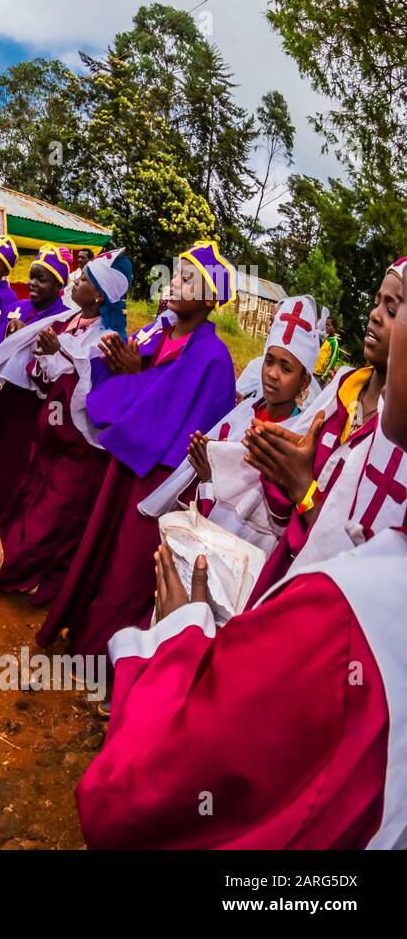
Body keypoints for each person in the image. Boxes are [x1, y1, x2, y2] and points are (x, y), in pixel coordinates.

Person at [76, 257, 407, 849]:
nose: (383, 320)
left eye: (396, 307)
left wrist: (183, 631)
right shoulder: (347, 404)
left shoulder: (361, 600)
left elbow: (309, 516)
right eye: (382, 304)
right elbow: (307, 505)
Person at [37, 241, 237, 692]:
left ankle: (110, 663)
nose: (175, 284)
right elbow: (114, 377)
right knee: (102, 551)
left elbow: (175, 411)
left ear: (208, 300)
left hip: (160, 481)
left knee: (131, 569)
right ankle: (82, 639)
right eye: (176, 273)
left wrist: (135, 378)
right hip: (126, 459)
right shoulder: (154, 334)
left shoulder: (213, 358)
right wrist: (126, 373)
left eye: (189, 280)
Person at [227, 260, 403, 603]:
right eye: (377, 301)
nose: (375, 314)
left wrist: (303, 490)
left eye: (392, 309)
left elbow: (366, 568)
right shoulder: (343, 386)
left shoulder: (400, 432)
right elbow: (287, 476)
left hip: (328, 600)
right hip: (284, 567)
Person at [0, 248, 132, 601]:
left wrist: (58, 355)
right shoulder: (68, 323)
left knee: (55, 513)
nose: (75, 283)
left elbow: (93, 389)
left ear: (98, 295)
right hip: (48, 435)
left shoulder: (108, 341)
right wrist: (49, 358)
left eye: (82, 280)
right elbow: (46, 376)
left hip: (76, 446)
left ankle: (22, 571)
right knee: (31, 499)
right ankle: (23, 566)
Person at [139, 294, 325, 549]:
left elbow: (267, 521)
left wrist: (212, 475)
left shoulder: (294, 439)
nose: (272, 374)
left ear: (304, 382)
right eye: (269, 361)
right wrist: (205, 476)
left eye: (286, 368)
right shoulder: (243, 412)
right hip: (198, 535)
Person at [0, 244, 75, 528]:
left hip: (32, 403)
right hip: (6, 395)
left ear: (58, 286)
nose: (32, 283)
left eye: (41, 279)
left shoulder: (63, 319)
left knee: (13, 464)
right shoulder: (16, 307)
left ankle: (0, 520)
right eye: (31, 276)